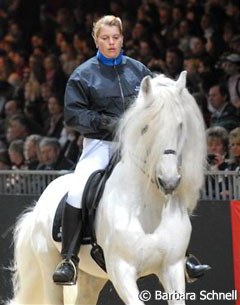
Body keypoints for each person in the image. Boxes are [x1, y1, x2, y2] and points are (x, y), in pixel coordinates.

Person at [52, 15, 210, 286]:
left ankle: (182, 255)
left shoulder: (139, 71)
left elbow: (156, 104)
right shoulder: (82, 75)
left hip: (139, 143)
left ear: (122, 38)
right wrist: (111, 124)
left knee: (167, 178)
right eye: (105, 38)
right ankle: (69, 259)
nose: (111, 43)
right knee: (79, 189)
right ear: (96, 40)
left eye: (115, 38)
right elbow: (73, 115)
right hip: (101, 144)